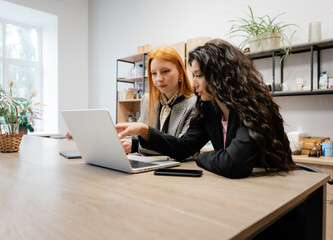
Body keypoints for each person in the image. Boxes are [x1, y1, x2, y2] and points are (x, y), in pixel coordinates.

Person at [116, 39, 297, 178]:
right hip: (242, 189)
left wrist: (201, 158)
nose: (194, 83)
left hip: (276, 189)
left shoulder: (253, 106)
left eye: (199, 75)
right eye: (194, 75)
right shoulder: (210, 110)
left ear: (221, 75)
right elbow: (182, 148)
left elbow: (233, 163)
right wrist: (145, 131)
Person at [121, 45, 196, 155]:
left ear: (180, 72)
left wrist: (136, 146)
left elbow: (183, 149)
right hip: (148, 164)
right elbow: (137, 135)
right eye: (154, 73)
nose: (159, 79)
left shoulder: (193, 103)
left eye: (165, 71)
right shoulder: (147, 99)